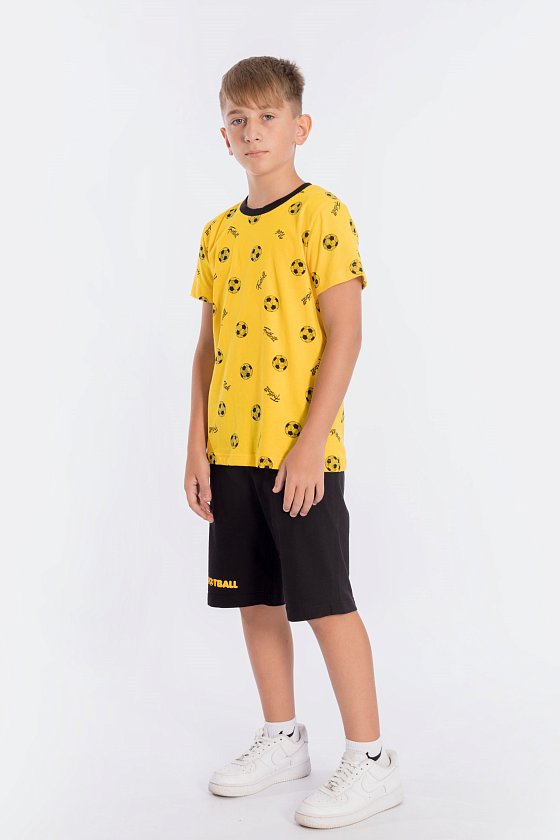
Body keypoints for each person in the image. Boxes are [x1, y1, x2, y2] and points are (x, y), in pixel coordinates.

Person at [184, 55, 404, 830]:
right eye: (238, 120)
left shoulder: (324, 215)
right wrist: (196, 448)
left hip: (299, 455)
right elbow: (207, 350)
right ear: (224, 136)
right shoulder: (216, 233)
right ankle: (282, 737)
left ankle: (371, 759)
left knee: (325, 601)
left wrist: (311, 444)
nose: (253, 131)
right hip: (231, 451)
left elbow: (347, 333)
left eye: (267, 117)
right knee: (255, 600)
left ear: (299, 127)